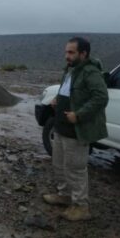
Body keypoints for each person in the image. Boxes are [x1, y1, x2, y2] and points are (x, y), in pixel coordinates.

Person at [43, 37, 108, 221]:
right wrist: (57, 99)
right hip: (61, 128)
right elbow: (69, 92)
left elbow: (101, 97)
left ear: (83, 53)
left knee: (75, 168)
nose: (67, 56)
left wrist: (79, 114)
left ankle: (81, 206)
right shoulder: (70, 70)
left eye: (71, 52)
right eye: (66, 52)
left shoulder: (90, 72)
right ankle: (64, 195)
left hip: (76, 130)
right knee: (59, 165)